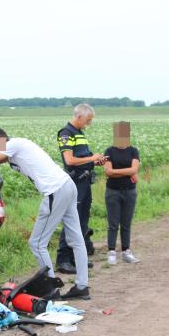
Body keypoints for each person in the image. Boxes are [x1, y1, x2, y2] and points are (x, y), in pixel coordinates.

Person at [0, 126, 91, 300]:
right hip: (67, 185)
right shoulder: (18, 144)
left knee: (37, 243)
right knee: (76, 238)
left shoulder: (12, 145)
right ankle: (82, 286)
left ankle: (51, 290)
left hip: (55, 191)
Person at [54, 103, 104, 274]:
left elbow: (82, 157)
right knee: (71, 220)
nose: (89, 124)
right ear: (79, 116)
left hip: (85, 182)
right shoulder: (66, 134)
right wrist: (91, 159)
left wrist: (94, 160)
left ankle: (76, 258)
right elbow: (69, 160)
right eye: (88, 120)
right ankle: (63, 260)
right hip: (75, 182)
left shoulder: (79, 133)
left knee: (82, 221)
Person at [103, 121, 140, 265]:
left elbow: (134, 170)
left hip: (129, 192)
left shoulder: (133, 150)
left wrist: (114, 172)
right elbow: (107, 171)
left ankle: (126, 251)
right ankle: (111, 251)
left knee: (126, 223)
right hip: (112, 191)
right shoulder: (109, 151)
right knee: (113, 223)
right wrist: (126, 172)